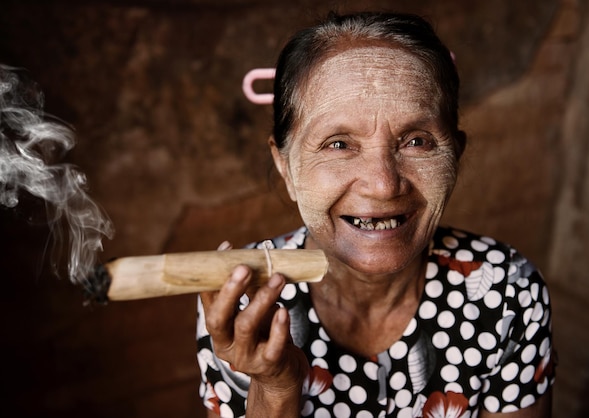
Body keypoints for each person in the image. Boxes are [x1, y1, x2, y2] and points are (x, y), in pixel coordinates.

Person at [196, 11, 555, 418]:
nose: (383, 184)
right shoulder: (243, 302)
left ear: (455, 154)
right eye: (338, 144)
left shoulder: (506, 292)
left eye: (417, 141)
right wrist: (275, 388)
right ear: (286, 167)